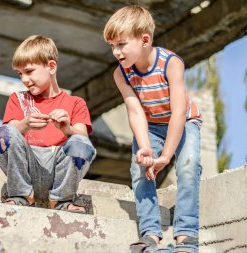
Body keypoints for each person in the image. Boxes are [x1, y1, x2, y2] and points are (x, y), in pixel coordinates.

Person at [103, 5, 202, 253]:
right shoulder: (121, 74)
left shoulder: (171, 63)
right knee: (140, 169)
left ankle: (186, 233)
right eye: (112, 46)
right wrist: (146, 146)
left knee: (188, 166)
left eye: (121, 44)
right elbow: (135, 110)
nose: (116, 52)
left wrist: (166, 156)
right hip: (151, 125)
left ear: (145, 39)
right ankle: (150, 233)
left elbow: (179, 112)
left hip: (183, 122)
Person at [0, 35, 96, 213]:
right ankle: (21, 195)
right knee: (3, 132)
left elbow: (83, 139)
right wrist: (26, 123)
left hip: (59, 172)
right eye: (20, 74)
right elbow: (8, 134)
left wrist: (67, 128)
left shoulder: (76, 103)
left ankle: (61, 200)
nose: (24, 79)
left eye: (29, 71)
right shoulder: (18, 99)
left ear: (51, 66)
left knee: (80, 142)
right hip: (27, 169)